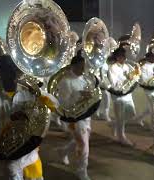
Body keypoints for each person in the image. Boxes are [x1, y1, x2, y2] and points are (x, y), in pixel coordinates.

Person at [0, 54, 58, 180]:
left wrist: (40, 94)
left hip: (31, 154)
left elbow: (55, 105)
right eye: (8, 71)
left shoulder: (28, 92)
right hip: (9, 158)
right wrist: (11, 121)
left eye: (14, 70)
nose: (13, 75)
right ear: (0, 74)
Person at [56, 50, 92, 180]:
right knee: (83, 144)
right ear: (73, 66)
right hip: (74, 118)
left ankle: (63, 151)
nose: (83, 70)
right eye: (81, 67)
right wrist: (79, 95)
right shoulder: (65, 82)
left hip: (86, 115)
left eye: (84, 67)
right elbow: (63, 104)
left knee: (82, 140)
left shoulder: (84, 79)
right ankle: (82, 170)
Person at [107, 47, 139, 146]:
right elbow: (114, 84)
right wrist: (127, 78)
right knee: (120, 117)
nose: (124, 58)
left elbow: (134, 77)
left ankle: (114, 124)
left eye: (124, 56)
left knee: (131, 114)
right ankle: (121, 138)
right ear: (117, 57)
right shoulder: (112, 68)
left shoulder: (128, 66)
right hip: (118, 96)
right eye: (121, 56)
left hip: (128, 94)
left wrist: (136, 74)